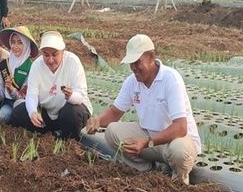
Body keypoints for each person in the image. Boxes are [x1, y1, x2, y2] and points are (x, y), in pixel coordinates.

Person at [85, 34, 201, 185]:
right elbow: (115, 112)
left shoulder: (170, 79)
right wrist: (97, 121)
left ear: (151, 57)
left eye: (137, 62)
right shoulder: (132, 82)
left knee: (179, 151)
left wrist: (147, 142)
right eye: (131, 63)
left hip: (175, 140)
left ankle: (177, 183)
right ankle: (146, 173)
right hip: (149, 138)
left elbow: (180, 127)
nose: (133, 68)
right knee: (112, 132)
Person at [12, 31, 92, 140]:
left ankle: (69, 141)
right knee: (19, 111)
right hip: (48, 112)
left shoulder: (73, 62)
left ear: (62, 52)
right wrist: (33, 112)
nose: (50, 60)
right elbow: (31, 95)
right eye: (46, 55)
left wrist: (71, 96)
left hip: (70, 110)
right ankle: (48, 135)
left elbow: (80, 97)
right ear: (41, 53)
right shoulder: (37, 66)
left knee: (71, 112)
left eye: (55, 54)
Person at [0, 26, 38, 123]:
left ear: (26, 44)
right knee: (2, 117)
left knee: (18, 112)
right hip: (8, 103)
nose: (15, 46)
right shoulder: (4, 64)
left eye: (20, 42)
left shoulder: (32, 67)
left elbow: (24, 97)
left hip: (24, 105)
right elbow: (0, 97)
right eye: (13, 42)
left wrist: (11, 89)